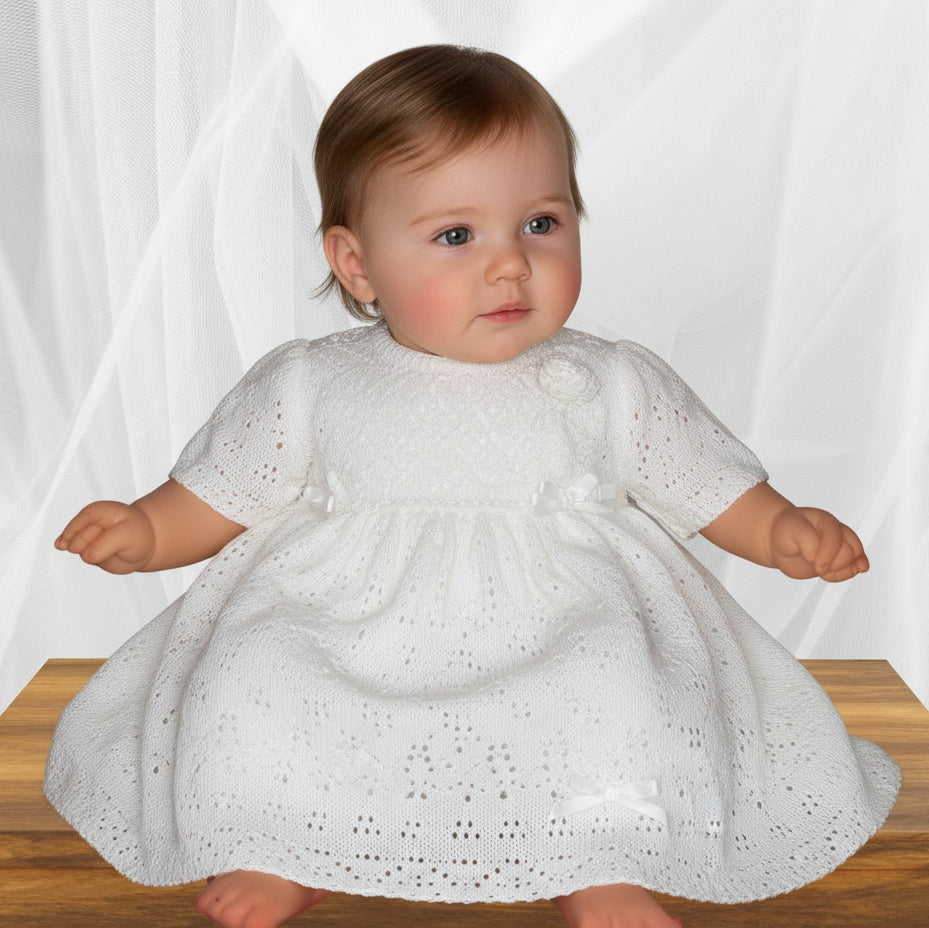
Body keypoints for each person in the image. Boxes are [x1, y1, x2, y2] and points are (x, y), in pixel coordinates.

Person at [45, 45, 900, 928]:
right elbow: (222, 494)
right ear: (357, 265)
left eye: (540, 223)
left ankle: (604, 853)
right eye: (457, 236)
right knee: (261, 674)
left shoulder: (610, 380)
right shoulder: (313, 381)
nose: (509, 264)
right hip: (341, 620)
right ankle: (283, 841)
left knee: (613, 686)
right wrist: (148, 530)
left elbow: (706, 485)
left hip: (567, 615)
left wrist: (779, 528)